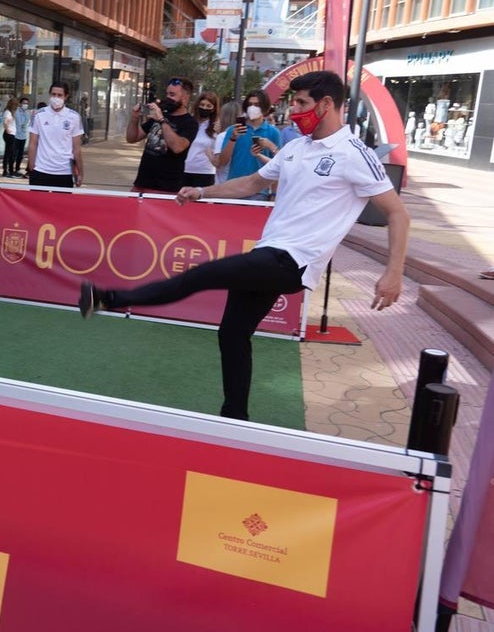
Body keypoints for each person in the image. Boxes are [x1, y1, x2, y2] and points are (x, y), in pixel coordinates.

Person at [78, 70, 410, 422]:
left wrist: (394, 273)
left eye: (301, 103)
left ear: (327, 104)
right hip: (269, 253)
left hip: (293, 262)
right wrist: (202, 192)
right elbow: (251, 183)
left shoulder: (353, 153)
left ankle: (109, 299)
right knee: (233, 335)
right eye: (293, 102)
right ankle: (235, 417)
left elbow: (398, 214)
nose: (294, 110)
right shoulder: (297, 147)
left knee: (200, 275)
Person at [126, 76, 199, 192]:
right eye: (167, 94)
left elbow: (178, 147)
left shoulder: (190, 123)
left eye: (172, 95)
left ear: (185, 98)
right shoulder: (160, 115)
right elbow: (132, 138)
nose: (168, 98)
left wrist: (161, 120)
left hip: (167, 188)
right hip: (142, 183)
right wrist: (134, 118)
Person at [216, 89, 281, 200]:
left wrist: (274, 194)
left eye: (257, 105)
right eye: (250, 104)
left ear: (264, 108)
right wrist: (233, 138)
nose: (252, 107)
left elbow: (278, 166)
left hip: (260, 191)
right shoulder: (233, 130)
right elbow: (222, 162)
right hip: (234, 188)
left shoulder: (273, 132)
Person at [26, 82, 84, 188]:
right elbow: (33, 143)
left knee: (60, 204)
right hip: (41, 170)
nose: (56, 98)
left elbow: (76, 149)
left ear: (66, 97)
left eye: (59, 95)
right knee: (37, 204)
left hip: (64, 172)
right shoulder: (38, 115)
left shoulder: (74, 117)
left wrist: (80, 172)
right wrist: (31, 166)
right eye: (53, 94)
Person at [182, 91, 220, 188]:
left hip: (205, 172)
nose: (204, 108)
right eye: (202, 105)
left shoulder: (216, 126)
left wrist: (219, 133)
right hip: (185, 169)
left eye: (208, 106)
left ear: (213, 109)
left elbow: (219, 149)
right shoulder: (189, 122)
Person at [208, 100, 241, 184]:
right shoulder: (243, 135)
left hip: (223, 181)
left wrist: (209, 154)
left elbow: (219, 163)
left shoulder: (222, 136)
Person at [13, 96, 32, 177]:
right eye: (24, 103)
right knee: (14, 153)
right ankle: (11, 169)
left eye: (27, 104)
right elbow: (18, 122)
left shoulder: (27, 112)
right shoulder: (16, 111)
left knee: (20, 154)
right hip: (16, 135)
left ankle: (17, 168)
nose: (25, 105)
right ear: (20, 104)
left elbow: (27, 121)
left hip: (23, 135)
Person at [1, 98, 20, 178]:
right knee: (9, 153)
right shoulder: (8, 112)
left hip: (12, 134)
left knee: (11, 153)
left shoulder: (11, 113)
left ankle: (9, 170)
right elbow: (5, 122)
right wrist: (7, 129)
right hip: (9, 134)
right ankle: (7, 170)